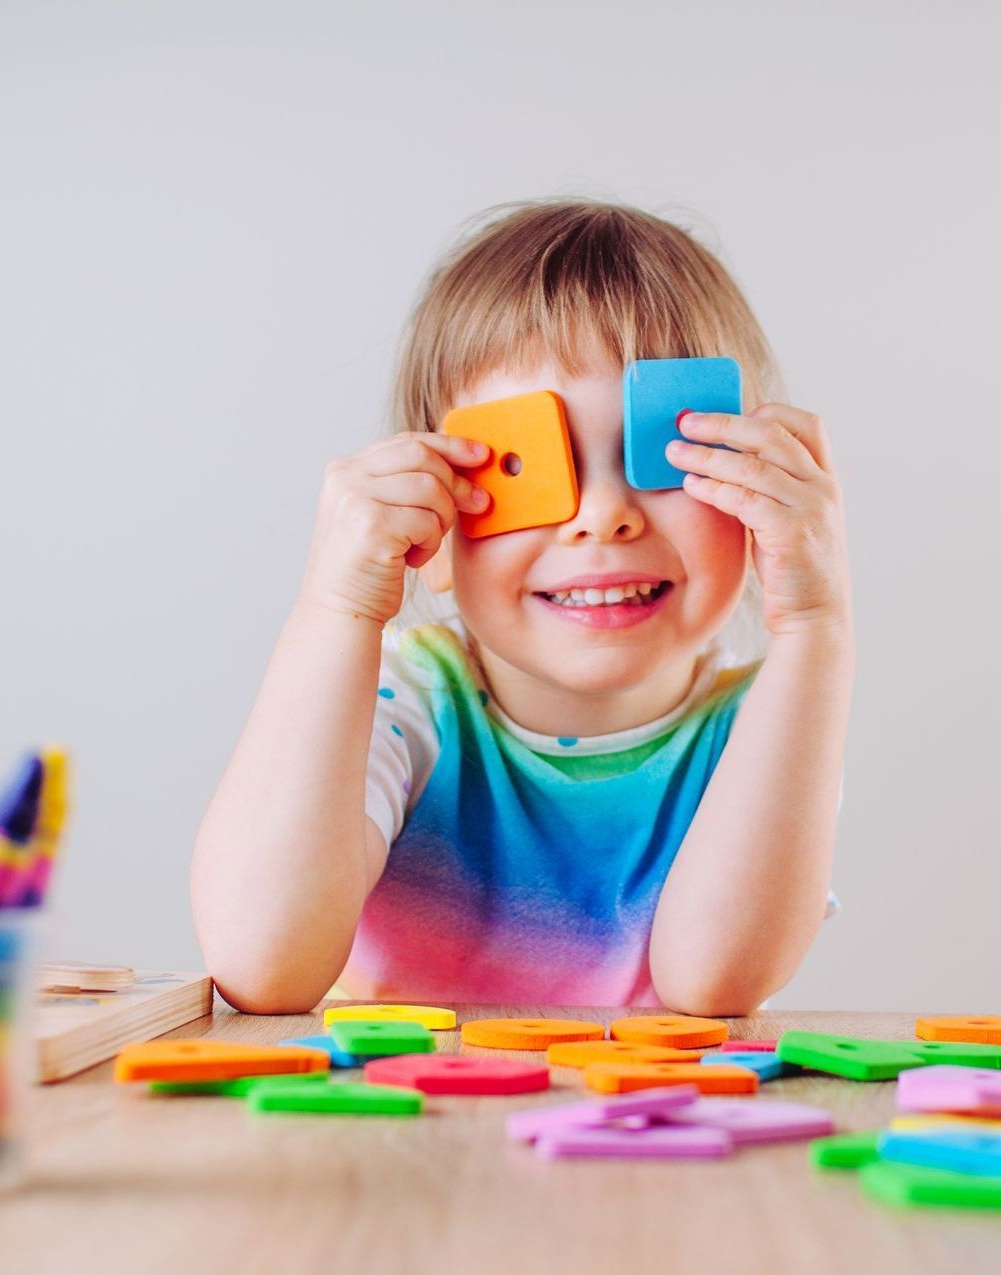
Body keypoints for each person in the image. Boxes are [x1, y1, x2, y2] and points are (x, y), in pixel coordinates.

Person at [192, 198, 854, 1014]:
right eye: (526, 467)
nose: (601, 514)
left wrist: (815, 629)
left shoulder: (769, 722)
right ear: (433, 535)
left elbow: (709, 982)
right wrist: (333, 609)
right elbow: (261, 964)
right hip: (393, 1138)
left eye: (666, 453)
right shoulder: (409, 705)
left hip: (637, 1138)